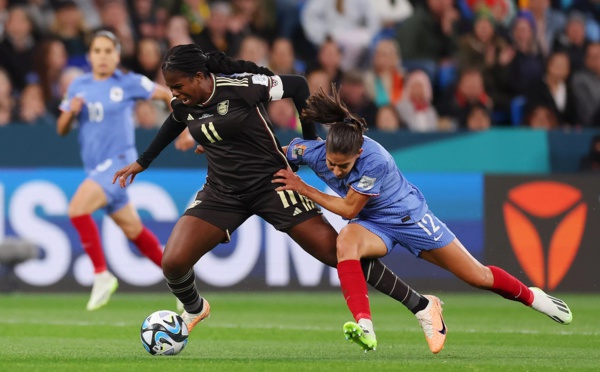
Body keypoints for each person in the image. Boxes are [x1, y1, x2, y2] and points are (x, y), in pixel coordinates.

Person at [113, 44, 447, 354]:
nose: (175, 94)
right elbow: (175, 119)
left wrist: (310, 143)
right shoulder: (185, 104)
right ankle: (195, 309)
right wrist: (144, 162)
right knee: (172, 262)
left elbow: (299, 86)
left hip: (273, 184)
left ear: (200, 77)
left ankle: (422, 305)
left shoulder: (242, 86)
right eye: (171, 88)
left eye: (179, 86)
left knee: (337, 254)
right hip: (222, 191)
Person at [273, 86, 574, 352]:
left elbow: (349, 209)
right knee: (346, 242)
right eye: (331, 164)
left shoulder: (375, 159)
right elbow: (280, 154)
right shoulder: (311, 151)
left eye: (344, 165)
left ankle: (533, 298)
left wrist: (304, 187)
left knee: (477, 276)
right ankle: (365, 326)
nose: (337, 171)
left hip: (410, 219)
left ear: (359, 152)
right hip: (374, 223)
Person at [56, 30, 172, 311]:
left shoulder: (129, 82)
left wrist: (181, 131)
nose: (103, 56)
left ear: (117, 55)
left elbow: (168, 95)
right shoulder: (78, 85)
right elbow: (61, 130)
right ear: (90, 56)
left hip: (120, 161)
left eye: (108, 51)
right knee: (134, 230)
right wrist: (71, 111)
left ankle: (101, 275)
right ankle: (183, 284)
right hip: (97, 169)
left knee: (77, 209)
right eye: (97, 51)